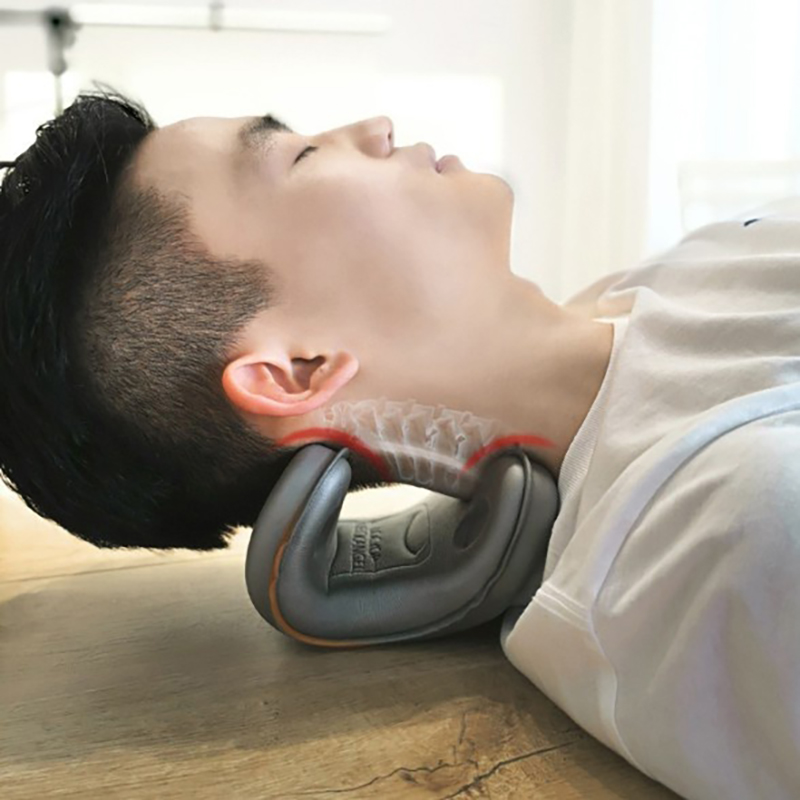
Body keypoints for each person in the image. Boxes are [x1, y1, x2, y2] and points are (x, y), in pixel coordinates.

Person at [4, 85, 799, 799]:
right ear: (297, 370)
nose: (375, 126)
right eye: (301, 154)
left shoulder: (677, 269)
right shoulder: (735, 535)